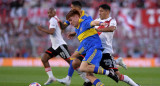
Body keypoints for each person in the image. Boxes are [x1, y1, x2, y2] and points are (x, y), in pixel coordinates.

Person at [69, 4, 140, 86]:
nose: (99, 13)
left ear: (107, 11)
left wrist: (98, 28)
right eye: (99, 11)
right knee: (76, 63)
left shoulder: (111, 21)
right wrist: (74, 33)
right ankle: (89, 80)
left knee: (118, 75)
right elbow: (86, 26)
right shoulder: (96, 20)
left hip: (105, 51)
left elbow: (111, 28)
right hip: (92, 49)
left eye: (101, 11)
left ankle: (135, 85)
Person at [65, 9, 119, 86]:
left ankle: (108, 72)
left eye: (71, 20)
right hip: (89, 51)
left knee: (83, 68)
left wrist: (101, 23)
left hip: (94, 49)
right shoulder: (77, 29)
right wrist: (73, 34)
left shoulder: (84, 22)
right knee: (89, 76)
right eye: (69, 21)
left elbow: (93, 22)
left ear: (77, 17)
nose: (70, 23)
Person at [37, 7, 75, 85]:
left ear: (54, 12)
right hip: (55, 46)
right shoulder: (56, 18)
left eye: (50, 12)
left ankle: (86, 76)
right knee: (44, 59)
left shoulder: (53, 20)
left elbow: (52, 31)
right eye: (48, 13)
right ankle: (51, 77)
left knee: (72, 63)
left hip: (60, 45)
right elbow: (62, 29)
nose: (49, 14)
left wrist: (41, 29)